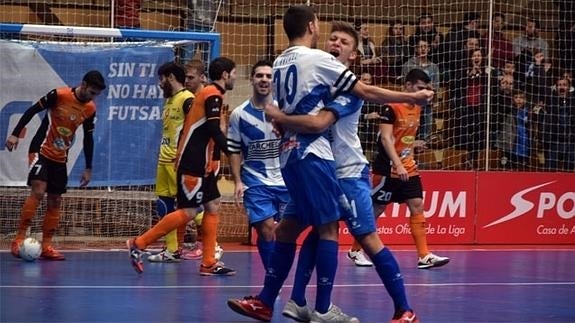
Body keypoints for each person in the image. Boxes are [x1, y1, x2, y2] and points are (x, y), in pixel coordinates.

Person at [227, 5, 432, 323]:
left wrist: (410, 98)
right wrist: (282, 120)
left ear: (353, 56)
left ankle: (403, 309)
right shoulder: (318, 78)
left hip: (347, 171)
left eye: (344, 42)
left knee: (358, 236)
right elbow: (300, 115)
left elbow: (324, 118)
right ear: (316, 30)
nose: (335, 44)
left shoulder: (344, 91)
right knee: (301, 228)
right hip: (315, 163)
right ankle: (293, 302)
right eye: (332, 39)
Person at [127, 57, 237, 276]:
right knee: (187, 211)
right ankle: (138, 244)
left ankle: (208, 262)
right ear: (225, 75)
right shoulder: (212, 95)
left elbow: (209, 133)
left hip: (201, 163)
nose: (235, 77)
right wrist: (235, 151)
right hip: (192, 163)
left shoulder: (206, 95)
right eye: (234, 73)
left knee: (212, 205)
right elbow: (215, 131)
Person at [6, 70, 106, 260]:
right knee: (38, 190)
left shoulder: (90, 109)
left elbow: (88, 138)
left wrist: (88, 167)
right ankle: (18, 240)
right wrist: (14, 133)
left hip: (60, 158)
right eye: (92, 92)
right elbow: (32, 110)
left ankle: (46, 247)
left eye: (96, 95)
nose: (93, 98)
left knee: (55, 200)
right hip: (41, 150)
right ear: (83, 84)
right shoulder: (58, 95)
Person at [371, 68, 450, 269]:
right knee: (377, 209)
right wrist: (397, 164)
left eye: (426, 88)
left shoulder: (419, 107)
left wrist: (413, 145)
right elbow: (386, 138)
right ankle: (355, 250)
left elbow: (404, 137)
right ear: (407, 86)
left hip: (409, 168)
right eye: (419, 88)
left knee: (417, 205)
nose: (423, 91)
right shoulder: (390, 108)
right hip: (388, 168)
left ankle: (424, 255)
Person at [227, 60, 289, 271]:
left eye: (268, 76)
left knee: (283, 232)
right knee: (266, 229)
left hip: (286, 179)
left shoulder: (285, 110)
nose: (264, 79)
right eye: (259, 75)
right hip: (255, 180)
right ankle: (273, 276)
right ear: (252, 79)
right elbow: (234, 150)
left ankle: (278, 272)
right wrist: (237, 181)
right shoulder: (239, 114)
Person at [144, 62, 194, 263]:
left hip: (178, 159)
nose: (159, 83)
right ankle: (172, 250)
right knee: (164, 205)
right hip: (164, 159)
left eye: (161, 79)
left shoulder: (187, 99)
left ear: (170, 77)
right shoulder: (170, 100)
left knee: (191, 205)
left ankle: (213, 246)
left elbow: (194, 129)